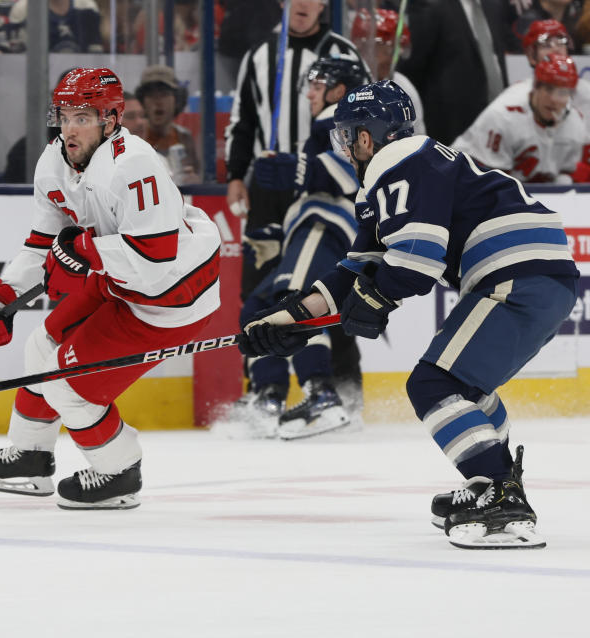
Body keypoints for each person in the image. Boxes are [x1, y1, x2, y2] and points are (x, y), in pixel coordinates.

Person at [238, 80, 578, 548]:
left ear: (367, 135)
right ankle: (490, 482)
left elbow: (417, 258)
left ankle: (500, 492)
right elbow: (358, 272)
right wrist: (294, 318)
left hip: (515, 273)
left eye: (347, 135)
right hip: (543, 276)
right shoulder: (414, 166)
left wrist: (377, 300)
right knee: (465, 388)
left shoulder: (399, 158)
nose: (345, 147)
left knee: (433, 385)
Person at [0, 68, 221, 509]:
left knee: (69, 386)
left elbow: (155, 256)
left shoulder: (135, 165)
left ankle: (118, 471)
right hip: (119, 283)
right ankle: (30, 455)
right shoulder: (53, 161)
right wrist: (1, 295)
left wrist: (84, 252)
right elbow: (42, 243)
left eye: (82, 117)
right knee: (41, 346)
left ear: (111, 119)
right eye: (63, 116)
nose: (69, 129)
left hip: (170, 299)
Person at [224, 0, 366, 421]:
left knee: (305, 296)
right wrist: (238, 172)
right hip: (279, 197)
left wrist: (298, 169)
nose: (308, 93)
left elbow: (359, 149)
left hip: (323, 209)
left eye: (317, 87)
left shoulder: (343, 63)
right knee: (260, 299)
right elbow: (243, 118)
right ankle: (267, 391)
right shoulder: (259, 55)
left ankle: (333, 389)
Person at [452, 54, 590, 184]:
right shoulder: (504, 117)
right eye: (548, 89)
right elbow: (484, 177)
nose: (554, 99)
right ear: (535, 86)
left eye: (562, 92)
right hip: (463, 177)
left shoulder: (575, 124)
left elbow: (572, 173)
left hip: (519, 188)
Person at [398, 0, 512, 145]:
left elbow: (496, 60)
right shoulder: (430, 5)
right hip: (450, 130)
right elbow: (412, 67)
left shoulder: (494, 5)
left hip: (495, 126)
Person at [500, 19, 590, 133]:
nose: (556, 49)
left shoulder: (587, 93)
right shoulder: (513, 98)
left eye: (561, 43)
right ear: (531, 56)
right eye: (546, 45)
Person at [350, 8, 426, 135]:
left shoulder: (403, 86)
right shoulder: (347, 83)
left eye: (395, 51)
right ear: (364, 47)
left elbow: (418, 139)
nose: (391, 59)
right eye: (385, 50)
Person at [135, 64, 200, 184]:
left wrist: (194, 181)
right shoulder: (134, 139)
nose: (158, 102)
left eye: (164, 94)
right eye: (151, 95)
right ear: (142, 102)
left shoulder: (185, 137)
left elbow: (198, 177)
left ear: (176, 100)